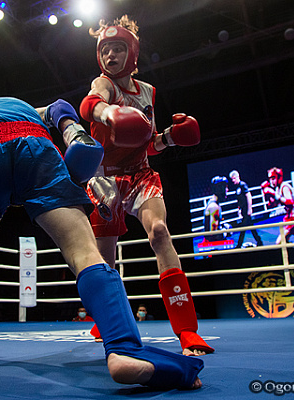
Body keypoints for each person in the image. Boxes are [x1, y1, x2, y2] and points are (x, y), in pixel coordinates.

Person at [0, 96, 203, 389]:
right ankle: (124, 350)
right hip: (36, 145)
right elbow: (60, 107)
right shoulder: (23, 108)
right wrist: (73, 132)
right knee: (84, 252)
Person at [78, 16, 213, 356]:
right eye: (105, 50)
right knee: (105, 261)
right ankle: (106, 319)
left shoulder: (148, 92)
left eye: (117, 49)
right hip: (105, 179)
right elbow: (89, 106)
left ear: (133, 53)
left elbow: (147, 142)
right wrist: (109, 113)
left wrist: (171, 137)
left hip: (140, 174)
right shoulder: (104, 84)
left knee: (160, 233)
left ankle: (187, 331)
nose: (110, 55)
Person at [261, 167, 294, 244]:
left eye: (273, 179)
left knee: (279, 242)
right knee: (285, 240)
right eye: (270, 179)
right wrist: (269, 197)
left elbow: (290, 202)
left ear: (278, 177)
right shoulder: (278, 188)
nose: (272, 181)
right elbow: (274, 205)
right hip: (289, 215)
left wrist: (274, 195)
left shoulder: (284, 187)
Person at [229, 170, 263, 248]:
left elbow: (248, 196)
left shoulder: (243, 185)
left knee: (243, 228)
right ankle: (259, 241)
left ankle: (239, 244)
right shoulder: (237, 187)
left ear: (237, 177)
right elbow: (239, 200)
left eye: (234, 178)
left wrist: (249, 209)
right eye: (232, 179)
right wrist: (239, 209)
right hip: (243, 210)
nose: (233, 181)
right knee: (250, 227)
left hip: (246, 209)